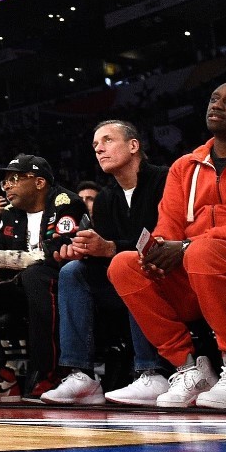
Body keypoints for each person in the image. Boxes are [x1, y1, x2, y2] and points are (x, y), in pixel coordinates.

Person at [106, 82, 226, 407]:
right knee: (124, 264)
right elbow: (169, 223)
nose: (217, 105)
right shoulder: (185, 166)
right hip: (195, 270)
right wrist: (159, 247)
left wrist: (187, 245)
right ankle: (189, 368)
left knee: (203, 251)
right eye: (214, 99)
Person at [45, 122, 171, 405]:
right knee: (73, 272)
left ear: (133, 145)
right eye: (95, 145)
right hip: (121, 278)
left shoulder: (166, 180)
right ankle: (81, 376)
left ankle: (153, 372)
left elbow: (164, 241)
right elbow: (106, 252)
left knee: (129, 264)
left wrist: (111, 248)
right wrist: (85, 251)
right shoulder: (104, 199)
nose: (99, 149)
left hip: (165, 272)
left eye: (107, 140)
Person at [0, 154, 87, 401]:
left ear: (39, 182)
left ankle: (50, 373)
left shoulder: (67, 202)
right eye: (4, 182)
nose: (7, 186)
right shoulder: (8, 213)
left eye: (14, 179)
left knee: (36, 275)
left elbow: (58, 251)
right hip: (18, 287)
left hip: (60, 284)